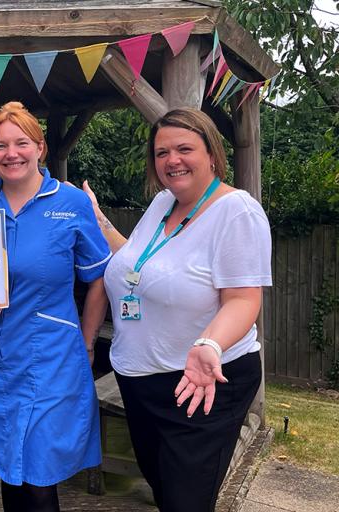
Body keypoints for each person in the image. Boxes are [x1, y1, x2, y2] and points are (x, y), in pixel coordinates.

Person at [84, 108, 272, 512]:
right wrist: (98, 221)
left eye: (184, 148)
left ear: (212, 154)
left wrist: (210, 343)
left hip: (200, 382)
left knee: (185, 501)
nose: (172, 160)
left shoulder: (235, 211)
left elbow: (243, 299)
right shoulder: (163, 204)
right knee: (164, 490)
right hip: (141, 382)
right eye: (161, 152)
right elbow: (138, 262)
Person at [0, 101, 112, 512]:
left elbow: (99, 278)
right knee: (10, 467)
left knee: (40, 474)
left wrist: (88, 339)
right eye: (0, 146)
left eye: (22, 142)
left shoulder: (71, 203)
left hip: (53, 357)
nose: (12, 153)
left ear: (40, 147)